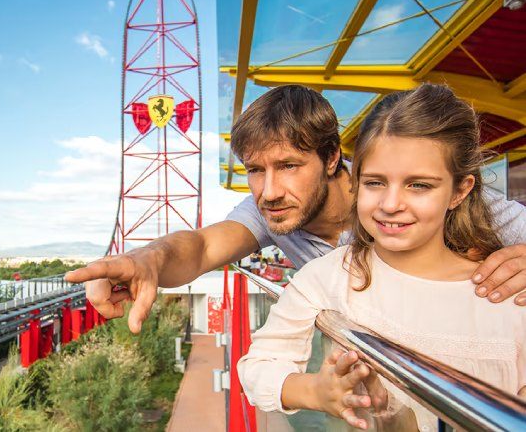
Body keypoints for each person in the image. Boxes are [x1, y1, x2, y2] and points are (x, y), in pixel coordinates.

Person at [65, 85, 526, 334]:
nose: (268, 191)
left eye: (288, 165)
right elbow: (204, 245)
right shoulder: (275, 213)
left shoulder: (414, 198)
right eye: (256, 170)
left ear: (331, 159)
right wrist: (147, 260)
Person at [238, 85, 526, 430]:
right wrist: (315, 391)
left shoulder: (510, 296)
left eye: (419, 185)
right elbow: (259, 366)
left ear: (459, 191)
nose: (390, 204)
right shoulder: (327, 277)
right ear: (355, 182)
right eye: (374, 182)